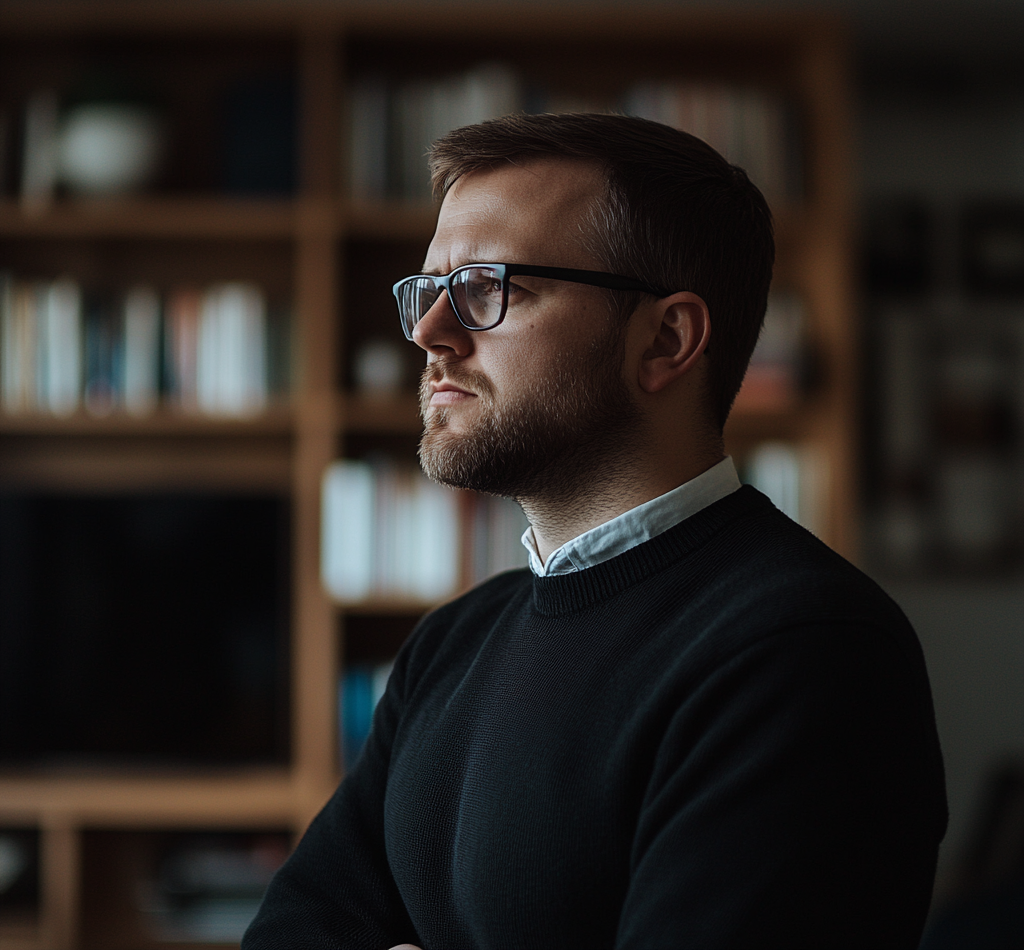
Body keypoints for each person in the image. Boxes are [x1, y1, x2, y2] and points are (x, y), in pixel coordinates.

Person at [243, 113, 947, 950]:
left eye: (487, 288)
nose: (430, 334)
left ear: (666, 339)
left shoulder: (803, 648)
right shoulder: (450, 646)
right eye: (427, 291)